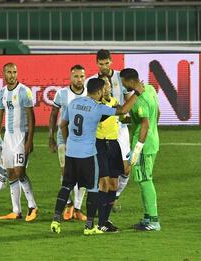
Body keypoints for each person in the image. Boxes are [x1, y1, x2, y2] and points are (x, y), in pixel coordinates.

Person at [50, 78, 144, 235]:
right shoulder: (98, 108)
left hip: (71, 152)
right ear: (100, 91)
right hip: (88, 153)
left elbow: (62, 125)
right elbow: (122, 110)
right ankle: (89, 227)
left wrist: (68, 142)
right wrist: (138, 93)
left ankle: (55, 220)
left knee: (66, 186)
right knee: (94, 188)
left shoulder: (73, 103)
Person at [86, 49, 132, 212]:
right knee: (102, 170)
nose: (104, 67)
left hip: (120, 128)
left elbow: (127, 103)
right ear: (96, 63)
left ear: (111, 61)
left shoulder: (121, 77)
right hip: (101, 129)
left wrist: (128, 116)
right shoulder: (90, 81)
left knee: (126, 168)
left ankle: (115, 195)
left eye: (106, 63)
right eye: (101, 63)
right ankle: (102, 202)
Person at [0, 62, 38, 222]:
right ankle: (16, 211)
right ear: (3, 74)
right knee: (11, 173)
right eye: (9, 72)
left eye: (14, 72)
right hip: (8, 139)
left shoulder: (24, 91)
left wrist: (29, 140)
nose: (12, 75)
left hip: (21, 136)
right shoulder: (2, 92)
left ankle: (32, 206)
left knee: (20, 172)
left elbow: (32, 118)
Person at [120, 68, 161, 231]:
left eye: (124, 83)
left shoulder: (140, 100)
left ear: (130, 82)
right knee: (145, 179)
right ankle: (147, 218)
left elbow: (144, 124)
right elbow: (157, 113)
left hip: (143, 145)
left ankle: (154, 221)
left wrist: (137, 149)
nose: (123, 87)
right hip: (153, 141)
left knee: (145, 181)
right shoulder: (150, 88)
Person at [48, 64, 87, 221]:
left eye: (81, 76)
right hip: (63, 139)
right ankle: (69, 203)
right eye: (76, 76)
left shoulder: (90, 94)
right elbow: (53, 115)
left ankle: (77, 209)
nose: (79, 79)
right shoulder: (62, 93)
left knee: (84, 175)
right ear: (70, 77)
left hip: (84, 140)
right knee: (66, 174)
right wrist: (50, 137)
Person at [95, 75, 123, 232]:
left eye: (109, 84)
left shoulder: (114, 102)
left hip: (114, 144)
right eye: (104, 85)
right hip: (101, 145)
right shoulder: (97, 105)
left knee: (114, 184)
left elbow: (122, 117)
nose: (108, 87)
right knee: (104, 184)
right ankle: (100, 222)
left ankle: (105, 220)